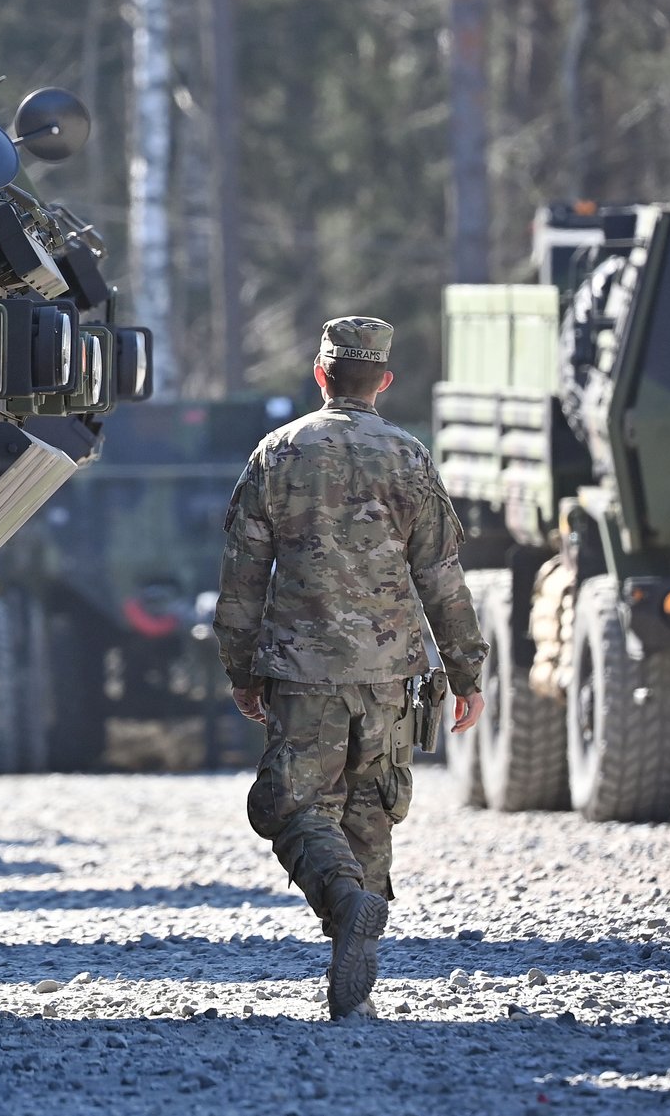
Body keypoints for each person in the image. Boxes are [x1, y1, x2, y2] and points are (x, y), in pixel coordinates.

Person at [214, 315, 487, 1020]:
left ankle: (345, 906)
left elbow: (243, 576)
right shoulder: (410, 457)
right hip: (392, 674)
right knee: (370, 812)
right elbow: (443, 576)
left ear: (320, 374)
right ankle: (352, 967)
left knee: (293, 805)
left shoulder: (278, 454)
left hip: (303, 671)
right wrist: (468, 671)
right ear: (385, 381)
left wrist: (240, 669)